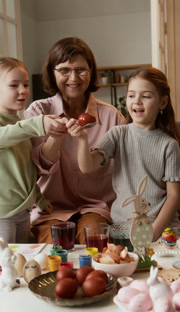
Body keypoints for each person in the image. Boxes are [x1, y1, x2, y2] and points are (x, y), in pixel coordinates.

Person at [24, 37, 126, 244]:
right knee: (55, 250)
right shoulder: (38, 112)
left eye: (80, 69)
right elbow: (36, 169)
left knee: (93, 239)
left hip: (96, 208)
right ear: (52, 73)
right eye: (64, 70)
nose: (73, 77)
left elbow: (126, 169)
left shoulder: (112, 117)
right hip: (50, 210)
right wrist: (55, 137)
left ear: (91, 71)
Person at [67, 66, 180, 242]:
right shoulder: (118, 134)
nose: (137, 101)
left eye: (146, 96)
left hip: (161, 232)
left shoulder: (169, 145)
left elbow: (174, 196)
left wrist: (153, 232)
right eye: (131, 95)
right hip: (123, 231)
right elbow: (86, 166)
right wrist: (82, 138)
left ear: (162, 103)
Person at [0, 57, 63, 243]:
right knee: (6, 267)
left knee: (20, 264)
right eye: (14, 85)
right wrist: (36, 123)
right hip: (2, 213)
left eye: (26, 84)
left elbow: (24, 171)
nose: (23, 91)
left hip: (23, 211)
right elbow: (4, 135)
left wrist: (39, 199)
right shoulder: (18, 128)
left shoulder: (19, 126)